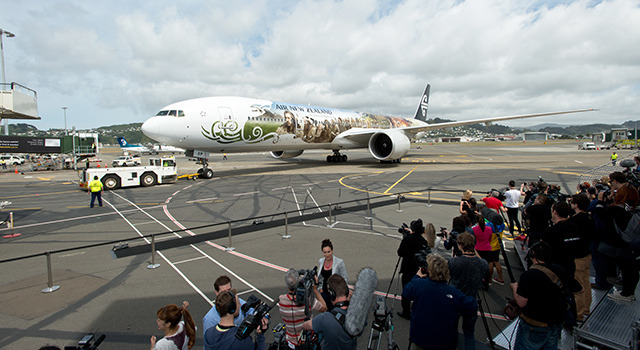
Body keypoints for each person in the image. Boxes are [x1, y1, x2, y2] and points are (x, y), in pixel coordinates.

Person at [510, 242, 581, 349]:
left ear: (532, 255)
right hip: (556, 323)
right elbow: (579, 289)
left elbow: (521, 302)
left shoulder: (529, 275)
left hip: (534, 324)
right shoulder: (560, 270)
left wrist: (515, 288)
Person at [403, 254, 477, 350]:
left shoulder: (419, 284)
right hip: (444, 342)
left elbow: (406, 293)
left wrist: (417, 276)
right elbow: (472, 305)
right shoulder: (453, 292)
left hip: (420, 339)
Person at [593, 183, 640, 301]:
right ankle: (628, 291)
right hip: (631, 241)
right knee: (630, 268)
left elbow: (600, 213)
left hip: (622, 243)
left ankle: (626, 294)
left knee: (627, 268)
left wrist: (600, 201)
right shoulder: (631, 208)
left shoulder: (615, 209)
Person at [448, 233, 489, 350]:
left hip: (455, 301)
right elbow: (484, 264)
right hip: (471, 300)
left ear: (460, 245)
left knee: (451, 330)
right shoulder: (482, 264)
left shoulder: (454, 262)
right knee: (469, 334)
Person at [302, 274, 358, 350]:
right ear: (348, 292)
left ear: (332, 295)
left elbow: (305, 325)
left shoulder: (325, 318)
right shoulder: (358, 317)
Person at [278, 268, 327, 348]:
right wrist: (315, 289)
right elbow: (324, 308)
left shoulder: (282, 300)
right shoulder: (308, 300)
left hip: (290, 342)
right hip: (306, 342)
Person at [397, 219, 434, 319]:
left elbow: (400, 253)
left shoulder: (407, 239)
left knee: (406, 289)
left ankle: (406, 312)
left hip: (407, 267)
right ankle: (416, 308)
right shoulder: (423, 241)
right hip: (418, 268)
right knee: (418, 289)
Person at [568, 194, 595, 321]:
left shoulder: (575, 220)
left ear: (576, 205)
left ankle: (578, 313)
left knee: (577, 285)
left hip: (577, 256)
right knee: (586, 282)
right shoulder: (589, 217)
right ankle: (586, 308)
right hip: (587, 254)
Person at [542, 201, 583, 278]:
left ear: (555, 212)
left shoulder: (550, 231)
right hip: (570, 265)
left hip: (554, 269)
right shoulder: (575, 227)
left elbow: (543, 252)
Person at [317, 238, 348, 310]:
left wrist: (340, 293)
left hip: (335, 294)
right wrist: (320, 289)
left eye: (329, 252)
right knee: (326, 312)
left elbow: (345, 278)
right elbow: (320, 277)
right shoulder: (321, 261)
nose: (327, 254)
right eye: (325, 252)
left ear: (332, 250)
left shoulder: (339, 262)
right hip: (324, 292)